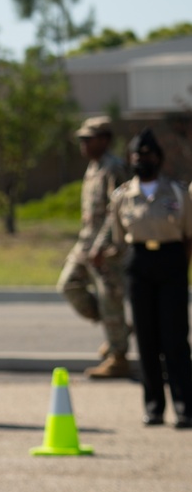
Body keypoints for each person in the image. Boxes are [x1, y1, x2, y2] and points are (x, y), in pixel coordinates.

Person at [108, 128, 192, 429]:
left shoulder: (178, 192)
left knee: (175, 338)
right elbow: (119, 237)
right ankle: (154, 407)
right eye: (137, 155)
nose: (143, 160)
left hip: (171, 263)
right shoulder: (121, 197)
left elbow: (187, 236)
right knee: (146, 340)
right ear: (131, 159)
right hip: (139, 263)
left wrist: (179, 267)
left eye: (148, 155)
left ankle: (185, 407)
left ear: (159, 158)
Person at [57, 116, 131, 378]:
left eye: (88, 139)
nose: (83, 144)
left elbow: (117, 212)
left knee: (109, 299)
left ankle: (118, 357)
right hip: (85, 244)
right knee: (69, 285)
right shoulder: (93, 167)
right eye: (81, 140)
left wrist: (100, 246)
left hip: (106, 248)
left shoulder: (114, 168)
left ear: (105, 140)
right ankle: (119, 330)